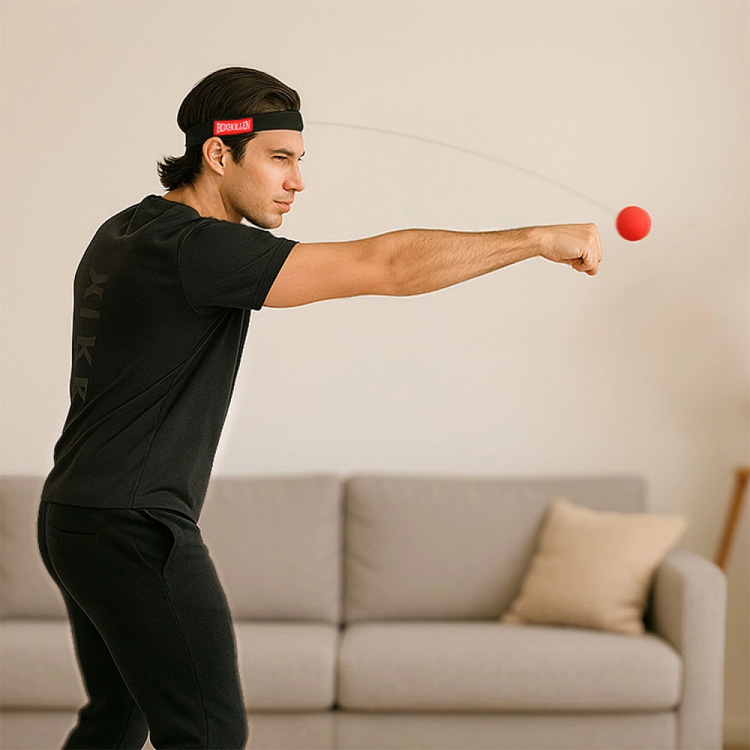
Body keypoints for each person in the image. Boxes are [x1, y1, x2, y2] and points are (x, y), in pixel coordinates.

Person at [37, 66, 602, 750]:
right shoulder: (198, 249)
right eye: (279, 159)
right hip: (133, 525)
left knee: (115, 722)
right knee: (208, 733)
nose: (297, 182)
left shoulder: (128, 230)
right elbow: (386, 267)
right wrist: (536, 240)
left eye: (299, 161)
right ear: (219, 153)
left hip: (75, 515)